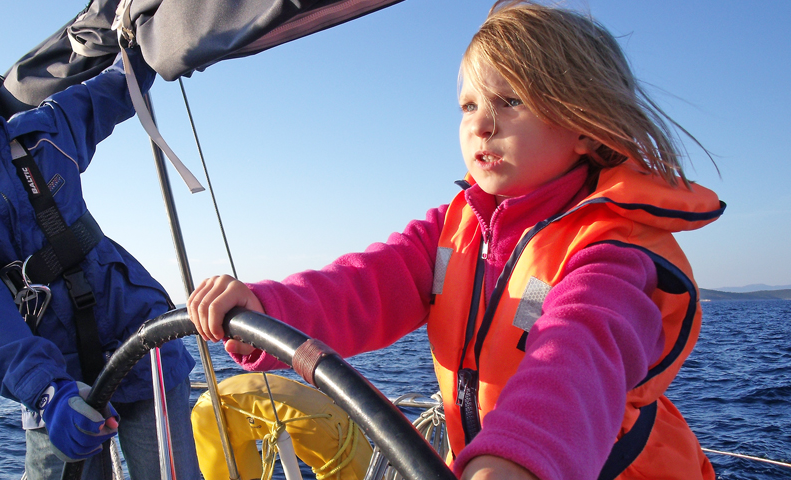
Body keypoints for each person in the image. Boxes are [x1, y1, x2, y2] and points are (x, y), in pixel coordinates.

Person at [187, 1, 724, 479]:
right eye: (469, 105)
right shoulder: (453, 228)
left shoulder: (612, 255)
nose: (481, 126)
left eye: (510, 101)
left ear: (584, 125)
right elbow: (365, 285)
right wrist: (268, 307)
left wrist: (516, 460)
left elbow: (579, 353)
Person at [0, 15, 200, 480]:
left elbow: (120, 85)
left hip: (140, 344)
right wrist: (46, 393)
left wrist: (148, 26)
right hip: (54, 379)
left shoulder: (45, 132)